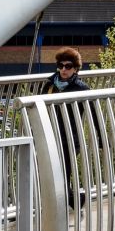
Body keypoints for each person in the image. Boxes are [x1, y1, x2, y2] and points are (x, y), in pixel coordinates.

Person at [39, 47, 92, 207]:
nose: (63, 69)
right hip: (50, 137)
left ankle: (73, 202)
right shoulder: (49, 86)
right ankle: (75, 201)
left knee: (62, 174)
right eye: (60, 65)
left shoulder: (82, 89)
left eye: (68, 66)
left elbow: (94, 113)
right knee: (52, 174)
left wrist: (100, 137)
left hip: (69, 139)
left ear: (75, 68)